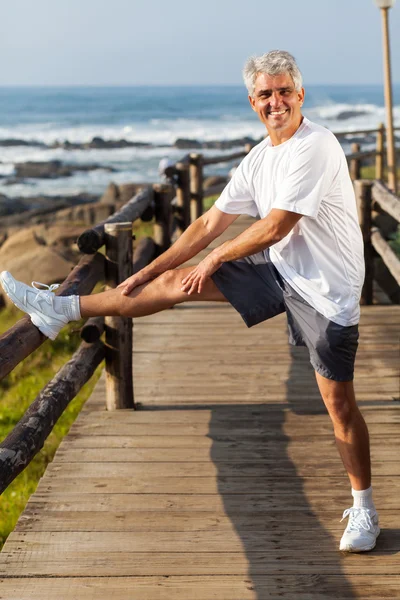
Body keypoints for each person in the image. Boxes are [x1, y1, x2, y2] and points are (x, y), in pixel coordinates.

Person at [0, 50, 379, 553]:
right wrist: (151, 269)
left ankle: (365, 509)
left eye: (284, 91)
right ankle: (62, 310)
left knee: (338, 405)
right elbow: (205, 224)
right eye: (265, 94)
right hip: (282, 270)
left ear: (300, 94)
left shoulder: (317, 146)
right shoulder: (260, 157)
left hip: (328, 294)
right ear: (253, 102)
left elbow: (275, 225)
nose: (276, 101)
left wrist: (217, 259)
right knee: (175, 282)